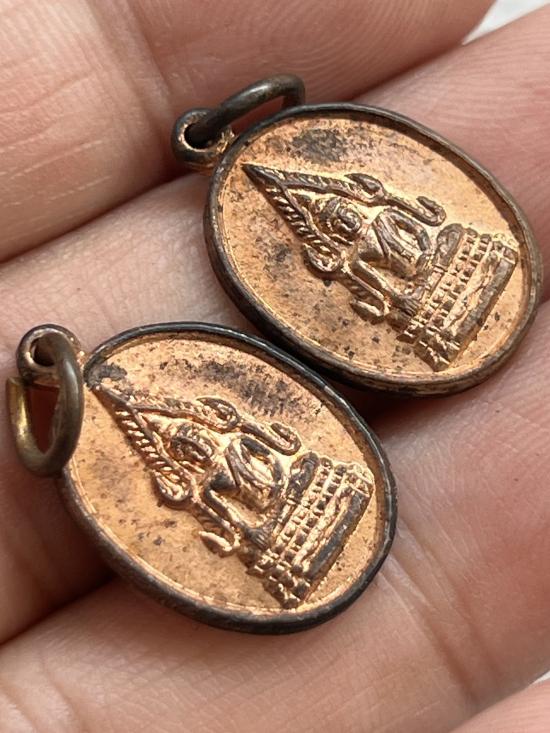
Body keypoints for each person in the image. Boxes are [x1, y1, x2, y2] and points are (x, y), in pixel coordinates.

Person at [0, 1, 549, 731]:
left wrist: (385, 234)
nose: (199, 445)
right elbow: (222, 491)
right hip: (276, 512)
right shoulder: (201, 469)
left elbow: (392, 249)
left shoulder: (368, 227)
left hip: (427, 282)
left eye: (346, 219)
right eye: (340, 226)